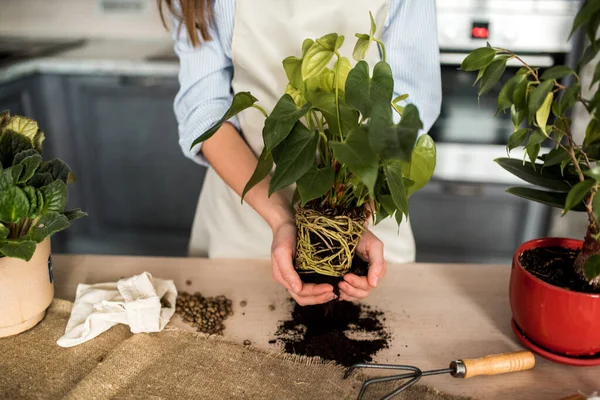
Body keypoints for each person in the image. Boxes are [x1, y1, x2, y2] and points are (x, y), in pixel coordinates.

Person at [161, 0, 442, 306]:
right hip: (246, 213)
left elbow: (407, 105)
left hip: (362, 223)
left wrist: (351, 221)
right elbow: (205, 113)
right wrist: (281, 218)